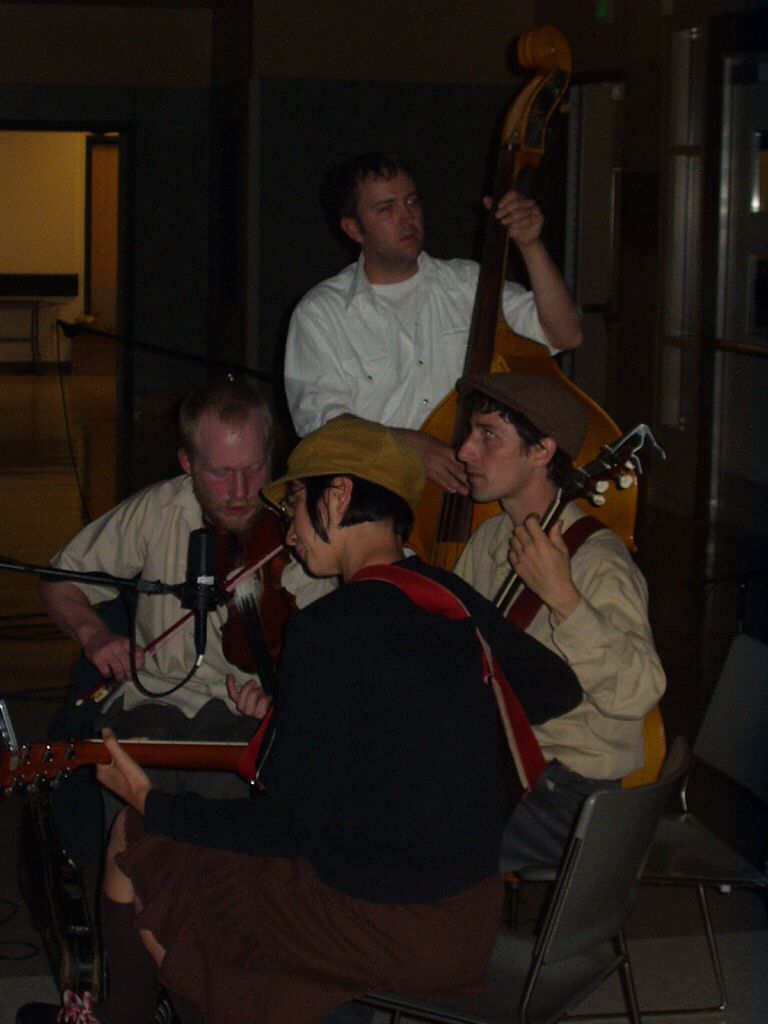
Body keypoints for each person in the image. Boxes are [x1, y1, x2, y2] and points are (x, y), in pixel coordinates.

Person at [19, 416, 581, 1024]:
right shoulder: (445, 593)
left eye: (294, 505)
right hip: (467, 922)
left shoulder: (328, 628)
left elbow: (285, 829)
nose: (288, 531)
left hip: (378, 927)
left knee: (140, 840)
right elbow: (555, 688)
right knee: (202, 859)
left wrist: (149, 798)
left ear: (337, 497)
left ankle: (132, 1013)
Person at [39, 378, 330, 807]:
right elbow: (60, 580)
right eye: (220, 473)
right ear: (187, 463)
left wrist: (283, 697)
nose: (241, 492)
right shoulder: (159, 509)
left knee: (227, 816)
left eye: (254, 469)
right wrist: (93, 634)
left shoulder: (301, 528)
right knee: (129, 802)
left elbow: (334, 657)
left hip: (245, 717)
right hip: (151, 702)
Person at [452, 372, 667, 871]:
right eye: (471, 433)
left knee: (404, 835)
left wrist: (563, 598)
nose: (464, 451)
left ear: (542, 451)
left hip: (567, 795)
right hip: (505, 764)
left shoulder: (598, 562)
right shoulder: (489, 540)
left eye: (488, 435)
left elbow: (639, 692)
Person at [284, 151, 582, 494]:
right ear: (353, 229)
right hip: (380, 494)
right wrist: (408, 445)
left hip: (475, 490)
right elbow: (319, 423)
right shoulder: (321, 313)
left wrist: (530, 245)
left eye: (412, 201)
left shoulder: (468, 284)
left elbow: (564, 334)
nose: (407, 217)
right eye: (386, 209)